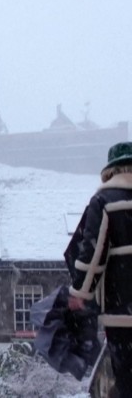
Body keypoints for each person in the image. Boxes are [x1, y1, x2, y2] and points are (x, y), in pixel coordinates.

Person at [68, 141, 132, 397]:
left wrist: (80, 292)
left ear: (110, 172)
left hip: (122, 310)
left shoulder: (105, 201)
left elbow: (93, 253)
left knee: (126, 380)